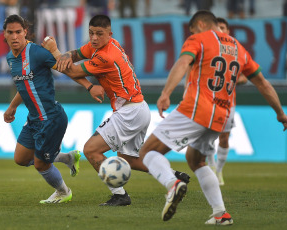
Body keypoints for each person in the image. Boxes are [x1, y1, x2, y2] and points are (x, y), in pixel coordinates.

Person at [139, 10, 287, 225]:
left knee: (148, 151)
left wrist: (165, 93)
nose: (190, 33)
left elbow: (183, 63)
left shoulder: (198, 39)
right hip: (220, 116)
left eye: (191, 29)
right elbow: (263, 83)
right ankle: (221, 214)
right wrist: (280, 112)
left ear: (200, 24)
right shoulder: (239, 49)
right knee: (197, 160)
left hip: (195, 109)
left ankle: (172, 184)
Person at [42, 14, 190, 206]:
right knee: (130, 159)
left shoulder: (106, 56)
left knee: (91, 150)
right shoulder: (107, 45)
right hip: (139, 108)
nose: (94, 38)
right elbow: (76, 54)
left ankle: (119, 195)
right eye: (91, 33)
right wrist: (66, 56)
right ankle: (173, 176)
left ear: (109, 33)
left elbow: (73, 71)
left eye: (99, 34)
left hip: (130, 112)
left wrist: (55, 52)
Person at [2, 14, 103, 204]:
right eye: (10, 32)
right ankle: (67, 158)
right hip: (34, 119)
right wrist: (12, 107)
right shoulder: (10, 58)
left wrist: (89, 86)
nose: (14, 36)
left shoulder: (38, 53)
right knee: (21, 159)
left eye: (18, 32)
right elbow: (23, 86)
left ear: (25, 32)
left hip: (51, 118)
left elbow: (66, 68)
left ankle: (64, 192)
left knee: (41, 164)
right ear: (5, 35)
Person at [206, 17, 248, 186]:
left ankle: (219, 170)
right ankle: (211, 168)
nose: (221, 31)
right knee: (207, 137)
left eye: (223, 28)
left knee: (224, 138)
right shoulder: (208, 48)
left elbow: (245, 76)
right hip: (208, 99)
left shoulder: (237, 50)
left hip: (228, 102)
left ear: (228, 31)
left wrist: (232, 79)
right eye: (218, 28)